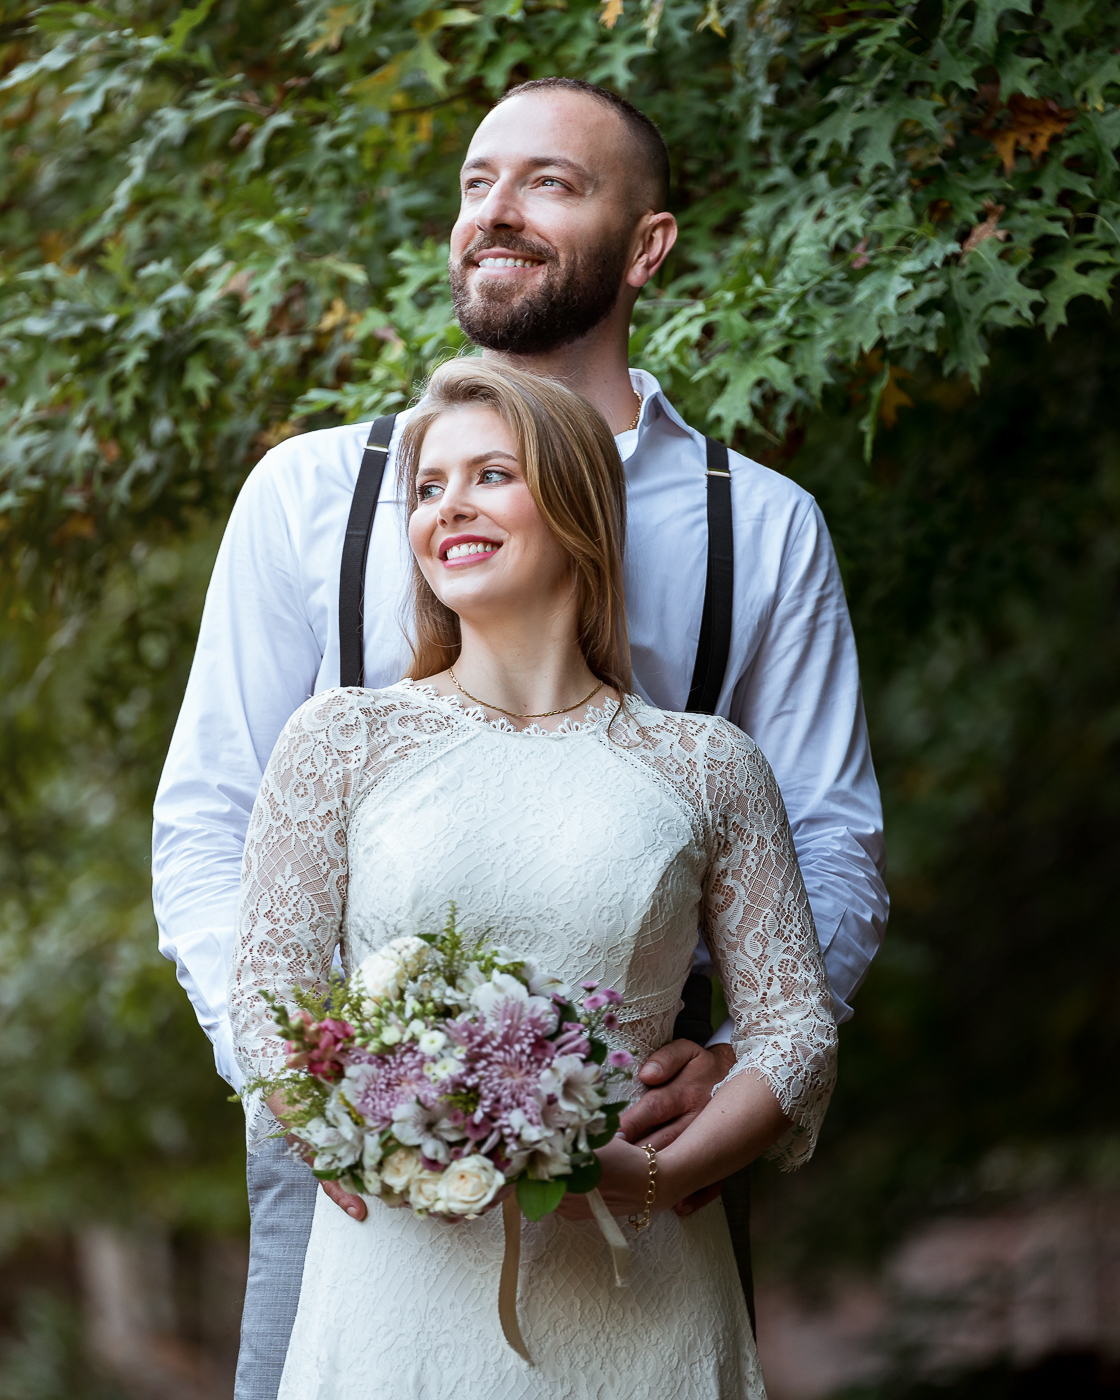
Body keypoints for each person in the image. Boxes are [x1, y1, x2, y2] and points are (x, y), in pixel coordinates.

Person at [153, 78, 887, 1399]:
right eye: (478, 181)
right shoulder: (313, 492)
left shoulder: (759, 524)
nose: (496, 209)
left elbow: (828, 840)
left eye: (551, 182)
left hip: (654, 1139)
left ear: (647, 245)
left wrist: (737, 1076)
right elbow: (208, 819)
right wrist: (302, 1086)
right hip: (351, 1159)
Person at [230, 358, 838, 1398]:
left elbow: (795, 1028)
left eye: (491, 475)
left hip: (642, 1284)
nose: (448, 507)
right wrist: (359, 1133)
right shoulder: (340, 739)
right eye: (429, 487)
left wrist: (657, 1175)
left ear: (577, 505)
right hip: (398, 1280)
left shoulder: (707, 763)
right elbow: (266, 996)